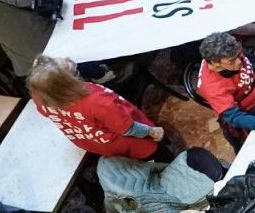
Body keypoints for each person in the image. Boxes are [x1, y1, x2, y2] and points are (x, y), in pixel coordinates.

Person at [27, 55, 162, 158]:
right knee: (157, 154)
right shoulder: (97, 101)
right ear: (67, 83)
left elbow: (45, 111)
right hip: (133, 143)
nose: (68, 58)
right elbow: (128, 128)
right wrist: (152, 131)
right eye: (66, 64)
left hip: (97, 143)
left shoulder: (41, 95)